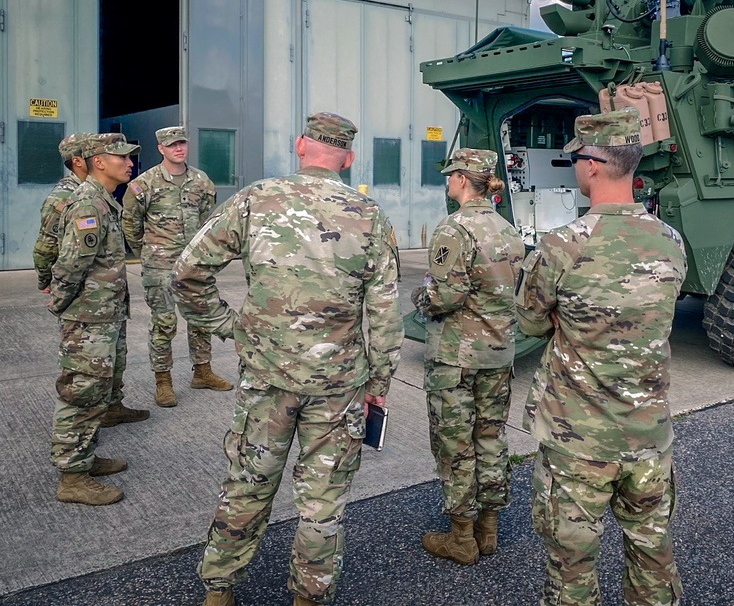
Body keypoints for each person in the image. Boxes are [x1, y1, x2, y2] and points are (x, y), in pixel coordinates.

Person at [172, 112, 404, 606]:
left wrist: (228, 325)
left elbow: (188, 271)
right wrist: (380, 380)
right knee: (323, 502)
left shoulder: (256, 199)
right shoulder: (369, 215)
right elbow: (385, 314)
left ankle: (219, 590)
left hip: (267, 376)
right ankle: (307, 598)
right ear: (348, 157)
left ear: (301, 146)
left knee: (248, 483)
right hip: (338, 383)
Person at [514, 108, 688, 606]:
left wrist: (569, 321)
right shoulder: (670, 242)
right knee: (652, 552)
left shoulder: (561, 246)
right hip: (649, 435)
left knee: (572, 568)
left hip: (578, 442)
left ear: (590, 164)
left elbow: (528, 322)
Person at [410, 148, 526, 565]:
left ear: (461, 179)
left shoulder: (454, 229)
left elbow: (445, 296)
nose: (447, 182)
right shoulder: (507, 228)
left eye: (450, 175)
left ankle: (462, 537)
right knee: (491, 437)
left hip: (457, 358)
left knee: (455, 443)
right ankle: (488, 529)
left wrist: (419, 296)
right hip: (498, 354)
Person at [49, 132, 151, 506]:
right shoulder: (89, 205)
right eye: (121, 157)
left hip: (103, 315)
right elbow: (71, 264)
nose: (129, 163)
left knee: (97, 394)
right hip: (88, 320)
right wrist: (62, 305)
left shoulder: (105, 201)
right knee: (81, 394)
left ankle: (84, 459)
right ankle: (72, 477)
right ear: (98, 162)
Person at [122, 125, 229, 408]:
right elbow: (130, 224)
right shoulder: (143, 185)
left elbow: (208, 222)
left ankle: (203, 372)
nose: (178, 148)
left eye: (182, 143)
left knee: (200, 320)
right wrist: (147, 253)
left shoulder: (201, 181)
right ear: (161, 149)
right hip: (160, 267)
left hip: (194, 265)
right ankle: (163, 381)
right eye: (172, 145)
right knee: (164, 323)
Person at [33, 132, 94, 293]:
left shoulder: (94, 189)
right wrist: (45, 280)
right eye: (93, 153)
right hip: (74, 284)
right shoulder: (63, 196)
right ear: (77, 161)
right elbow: (46, 246)